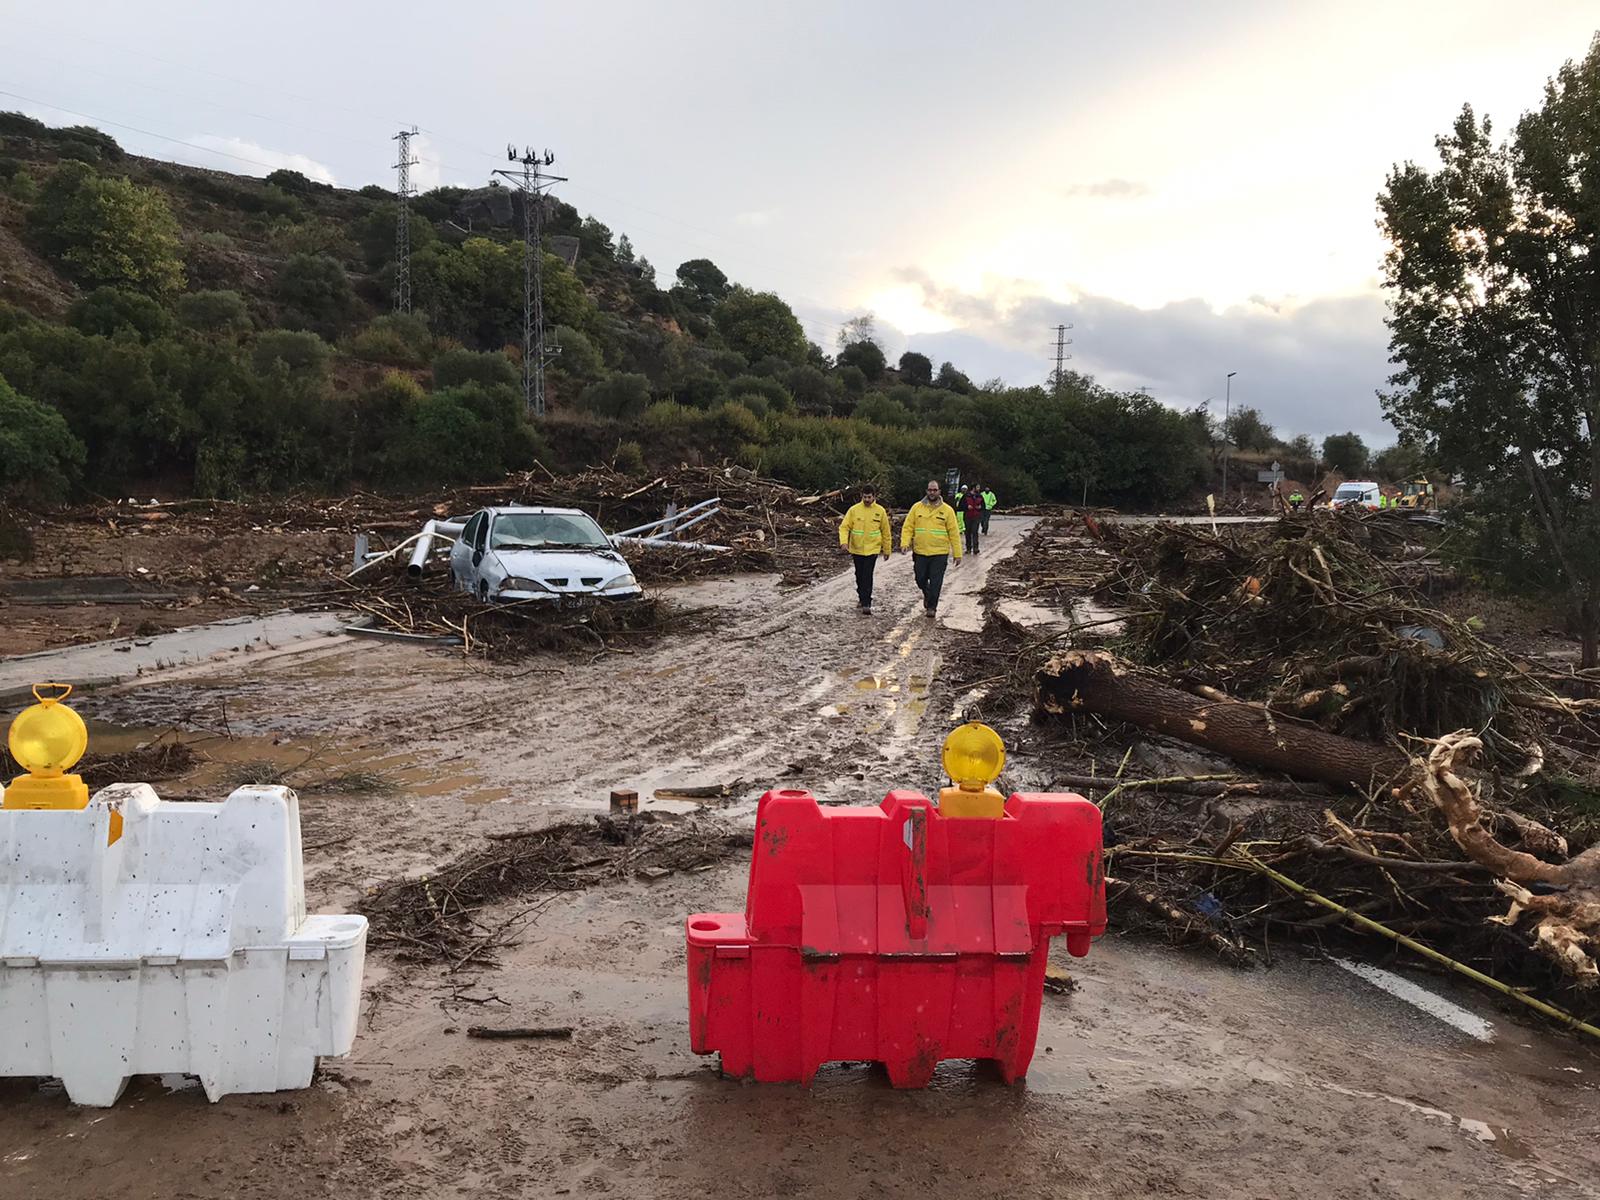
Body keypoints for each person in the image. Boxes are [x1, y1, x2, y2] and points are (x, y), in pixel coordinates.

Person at [901, 479, 962, 618]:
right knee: (920, 578)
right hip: (920, 551)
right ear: (926, 491)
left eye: (935, 490)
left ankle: (932, 607)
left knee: (936, 581)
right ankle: (927, 593)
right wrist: (905, 543)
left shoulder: (947, 511)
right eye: (930, 490)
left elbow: (954, 533)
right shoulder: (917, 508)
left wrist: (957, 554)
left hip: (939, 553)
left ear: (939, 491)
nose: (932, 492)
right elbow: (908, 527)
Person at [837, 484, 893, 614]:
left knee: (867, 575)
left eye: (869, 497)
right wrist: (844, 543)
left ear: (874, 496)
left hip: (872, 549)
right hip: (856, 549)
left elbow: (886, 531)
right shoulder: (854, 510)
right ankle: (862, 596)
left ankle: (866, 602)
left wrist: (887, 549)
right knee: (859, 575)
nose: (867, 499)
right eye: (865, 497)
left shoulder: (880, 511)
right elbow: (844, 527)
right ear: (861, 496)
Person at [960, 486, 984, 555]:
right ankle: (968, 548)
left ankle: (976, 548)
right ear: (973, 488)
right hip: (967, 516)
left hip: (976, 517)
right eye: (977, 487)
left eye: (979, 487)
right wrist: (966, 507)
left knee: (975, 532)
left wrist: (980, 507)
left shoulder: (980, 496)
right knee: (967, 532)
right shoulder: (966, 496)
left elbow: (983, 506)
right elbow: (960, 506)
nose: (979, 489)